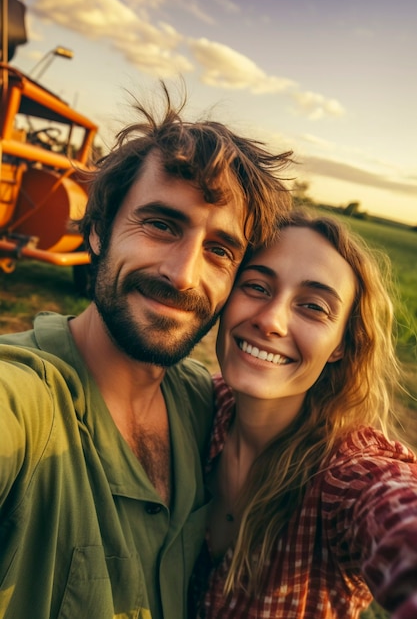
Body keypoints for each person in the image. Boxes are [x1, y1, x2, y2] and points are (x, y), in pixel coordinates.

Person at [0, 83, 294, 619]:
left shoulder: (205, 405)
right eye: (161, 225)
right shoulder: (23, 399)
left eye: (220, 250)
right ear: (98, 228)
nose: (182, 274)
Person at [190, 208, 417, 619]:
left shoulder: (347, 476)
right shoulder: (194, 406)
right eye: (257, 286)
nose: (271, 321)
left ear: (341, 346)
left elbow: (397, 514)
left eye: (313, 307)